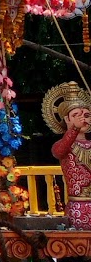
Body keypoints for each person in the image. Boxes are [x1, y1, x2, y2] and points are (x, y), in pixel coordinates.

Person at [45, 82, 91, 228]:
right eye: (76, 115)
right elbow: (58, 152)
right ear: (67, 119)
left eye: (86, 115)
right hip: (78, 207)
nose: (82, 119)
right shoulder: (61, 145)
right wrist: (74, 129)